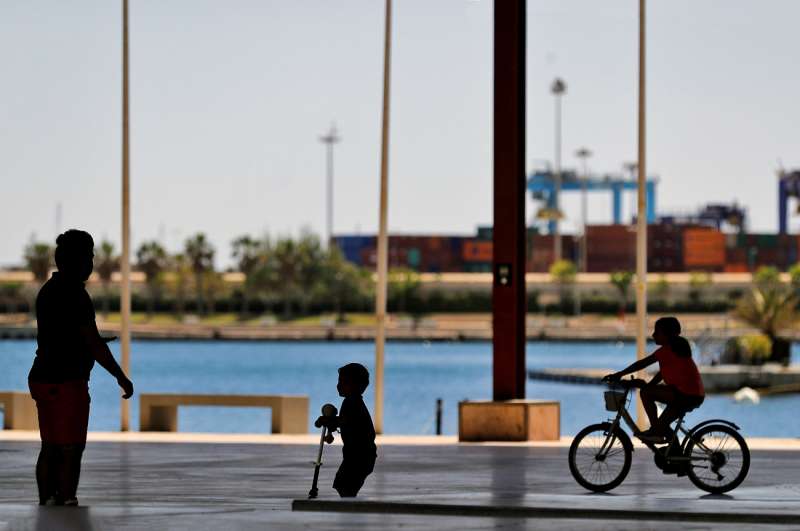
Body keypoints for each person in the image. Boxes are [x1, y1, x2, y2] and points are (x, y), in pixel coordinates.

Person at [28, 230, 134, 506]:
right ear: (74, 260)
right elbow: (93, 344)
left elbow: (65, 335)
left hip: (42, 377)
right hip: (66, 382)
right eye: (88, 256)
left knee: (50, 446)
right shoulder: (75, 294)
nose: (92, 262)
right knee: (71, 447)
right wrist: (121, 377)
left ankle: (46, 500)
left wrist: (89, 342)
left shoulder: (48, 291)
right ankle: (66, 499)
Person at [603, 317, 704, 443]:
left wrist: (620, 374)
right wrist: (649, 385)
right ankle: (672, 451)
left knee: (645, 394)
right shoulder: (675, 349)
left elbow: (643, 363)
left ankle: (656, 433)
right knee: (662, 423)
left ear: (667, 334)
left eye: (657, 332)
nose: (653, 335)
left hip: (685, 395)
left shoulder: (668, 349)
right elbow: (663, 373)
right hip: (690, 394)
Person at [315, 363, 377, 497]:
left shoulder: (352, 403)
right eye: (339, 381)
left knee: (345, 483)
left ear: (356, 386)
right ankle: (349, 503)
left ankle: (350, 506)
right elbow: (345, 422)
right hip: (358, 455)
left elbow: (344, 421)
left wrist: (327, 421)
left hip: (360, 456)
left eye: (343, 382)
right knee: (343, 483)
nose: (338, 385)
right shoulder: (351, 402)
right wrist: (332, 423)